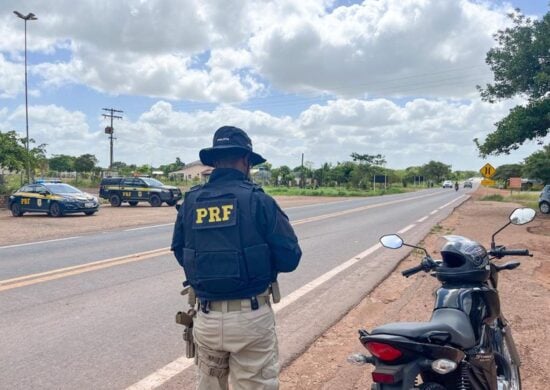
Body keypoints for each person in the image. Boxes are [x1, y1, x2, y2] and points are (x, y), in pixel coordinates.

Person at [171, 125, 302, 390]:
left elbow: (179, 251)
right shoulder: (259, 201)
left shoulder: (191, 201)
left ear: (215, 161)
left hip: (206, 317)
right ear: (245, 161)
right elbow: (290, 258)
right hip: (250, 318)